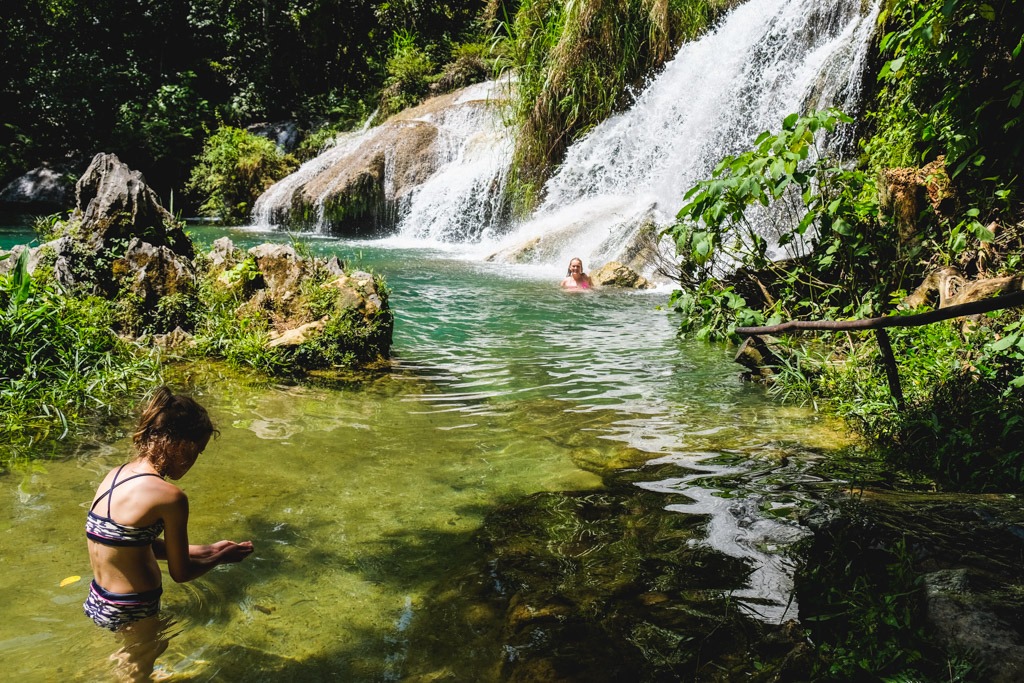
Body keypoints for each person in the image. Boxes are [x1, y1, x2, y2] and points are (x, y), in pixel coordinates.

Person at [84, 386, 253, 680]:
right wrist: (221, 559)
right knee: (138, 673)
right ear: (182, 445)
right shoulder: (170, 496)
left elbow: (132, 544)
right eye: (197, 451)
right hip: (134, 606)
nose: (195, 460)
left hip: (101, 599)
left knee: (129, 660)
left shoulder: (116, 475)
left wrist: (209, 549)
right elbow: (181, 573)